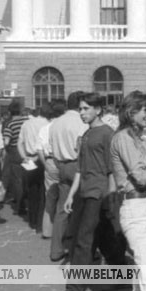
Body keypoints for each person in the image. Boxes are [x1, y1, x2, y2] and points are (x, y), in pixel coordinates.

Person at [53, 93, 126, 291]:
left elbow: (112, 169)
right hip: (85, 193)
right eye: (80, 109)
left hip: (99, 194)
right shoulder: (86, 134)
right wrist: (71, 195)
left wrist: (111, 197)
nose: (82, 113)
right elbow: (80, 168)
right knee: (105, 238)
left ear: (98, 110)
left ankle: (74, 289)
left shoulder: (106, 134)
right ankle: (122, 275)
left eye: (86, 109)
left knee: (83, 241)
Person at [111, 91, 146, 291]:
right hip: (135, 206)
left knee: (143, 270)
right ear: (130, 111)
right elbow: (143, 177)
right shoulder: (123, 138)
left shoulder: (139, 138)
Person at [49, 91, 87, 262]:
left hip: (61, 164)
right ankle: (80, 249)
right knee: (85, 209)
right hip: (77, 164)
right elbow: (83, 147)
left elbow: (51, 146)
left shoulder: (56, 122)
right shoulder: (81, 121)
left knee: (62, 209)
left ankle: (56, 249)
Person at [19, 104, 49, 232]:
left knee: (31, 190)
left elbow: (19, 142)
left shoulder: (26, 123)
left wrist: (24, 157)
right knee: (43, 191)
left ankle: (32, 220)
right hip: (42, 158)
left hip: (29, 158)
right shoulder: (47, 124)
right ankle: (40, 222)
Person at [39, 100, 65, 239]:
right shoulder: (64, 126)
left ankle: (47, 231)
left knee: (50, 196)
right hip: (64, 161)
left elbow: (40, 150)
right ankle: (63, 231)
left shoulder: (45, 128)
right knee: (65, 196)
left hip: (50, 160)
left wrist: (47, 164)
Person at [2, 101, 28, 218]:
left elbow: (7, 141)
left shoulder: (10, 124)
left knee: (18, 180)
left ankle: (20, 206)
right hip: (28, 151)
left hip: (15, 153)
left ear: (9, 112)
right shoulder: (27, 122)